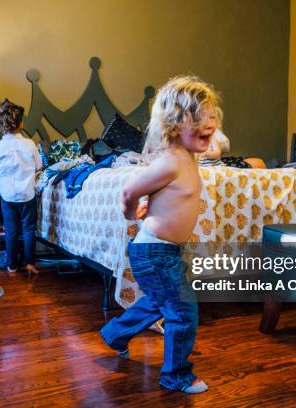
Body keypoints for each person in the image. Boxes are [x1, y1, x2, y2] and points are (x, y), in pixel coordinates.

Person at [100, 75, 218, 394]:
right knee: (182, 311)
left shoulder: (189, 154)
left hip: (165, 252)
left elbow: (219, 144)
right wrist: (130, 213)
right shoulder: (170, 162)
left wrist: (208, 132)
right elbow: (129, 189)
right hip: (154, 252)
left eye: (211, 116)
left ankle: (115, 334)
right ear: (175, 124)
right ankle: (176, 374)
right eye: (199, 118)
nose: (208, 125)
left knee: (157, 301)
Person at [0, 99, 42, 274]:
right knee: (29, 229)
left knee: (10, 230)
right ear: (21, 123)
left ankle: (12, 265)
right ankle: (30, 264)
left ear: (0, 125)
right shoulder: (29, 144)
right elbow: (38, 166)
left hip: (8, 196)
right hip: (27, 193)